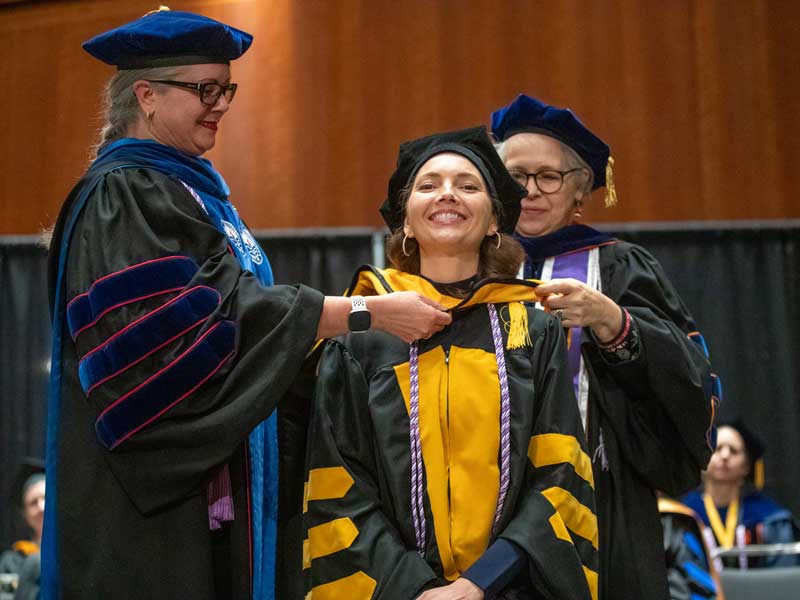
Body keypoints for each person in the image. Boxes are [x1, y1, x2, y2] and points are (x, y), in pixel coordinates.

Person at [43, 9, 450, 600]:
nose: (221, 105)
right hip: (149, 510)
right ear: (147, 95)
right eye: (203, 89)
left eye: (225, 89)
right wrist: (363, 314)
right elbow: (171, 345)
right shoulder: (124, 192)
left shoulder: (191, 190)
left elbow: (237, 320)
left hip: (208, 491)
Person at [303, 126, 598, 600]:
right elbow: (341, 484)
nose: (447, 194)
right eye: (428, 184)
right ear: (406, 222)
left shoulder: (532, 330)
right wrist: (417, 589)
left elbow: (559, 474)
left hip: (509, 588)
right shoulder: (363, 333)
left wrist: (477, 585)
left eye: (467, 185)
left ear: (494, 223)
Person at [490, 94, 717, 600]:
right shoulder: (462, 269)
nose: (528, 191)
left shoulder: (618, 268)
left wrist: (613, 322)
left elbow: (690, 377)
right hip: (477, 502)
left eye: (547, 177)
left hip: (598, 499)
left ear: (579, 193)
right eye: (514, 175)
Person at [682, 419, 800, 569]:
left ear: (746, 466)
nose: (725, 456)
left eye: (734, 450)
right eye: (717, 449)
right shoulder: (685, 516)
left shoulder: (770, 518)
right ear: (703, 461)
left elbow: (782, 576)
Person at [0, 459, 45, 575]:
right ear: (25, 516)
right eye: (33, 503)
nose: (41, 507)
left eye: (46, 498)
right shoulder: (12, 561)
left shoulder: (70, 552)